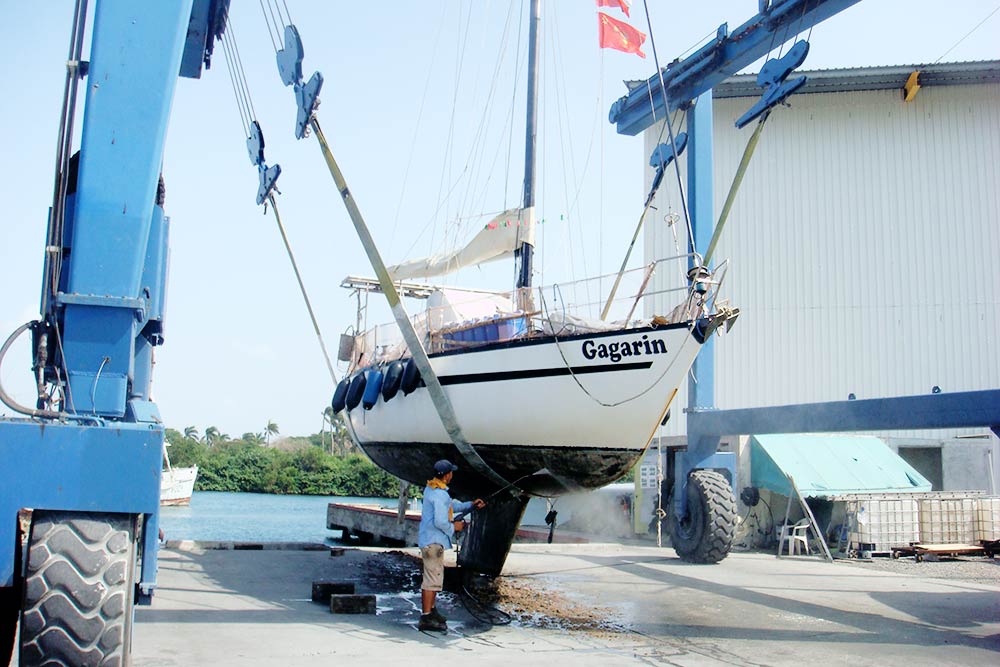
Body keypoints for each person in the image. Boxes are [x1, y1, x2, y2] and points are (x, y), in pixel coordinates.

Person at [417, 459, 485, 632]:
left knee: (435, 578)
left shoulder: (432, 489)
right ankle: (426, 616)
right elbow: (441, 521)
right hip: (433, 542)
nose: (452, 475)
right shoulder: (440, 494)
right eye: (451, 472)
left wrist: (470, 505)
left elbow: (451, 506)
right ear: (447, 475)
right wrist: (454, 527)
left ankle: (431, 611)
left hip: (430, 540)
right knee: (432, 580)